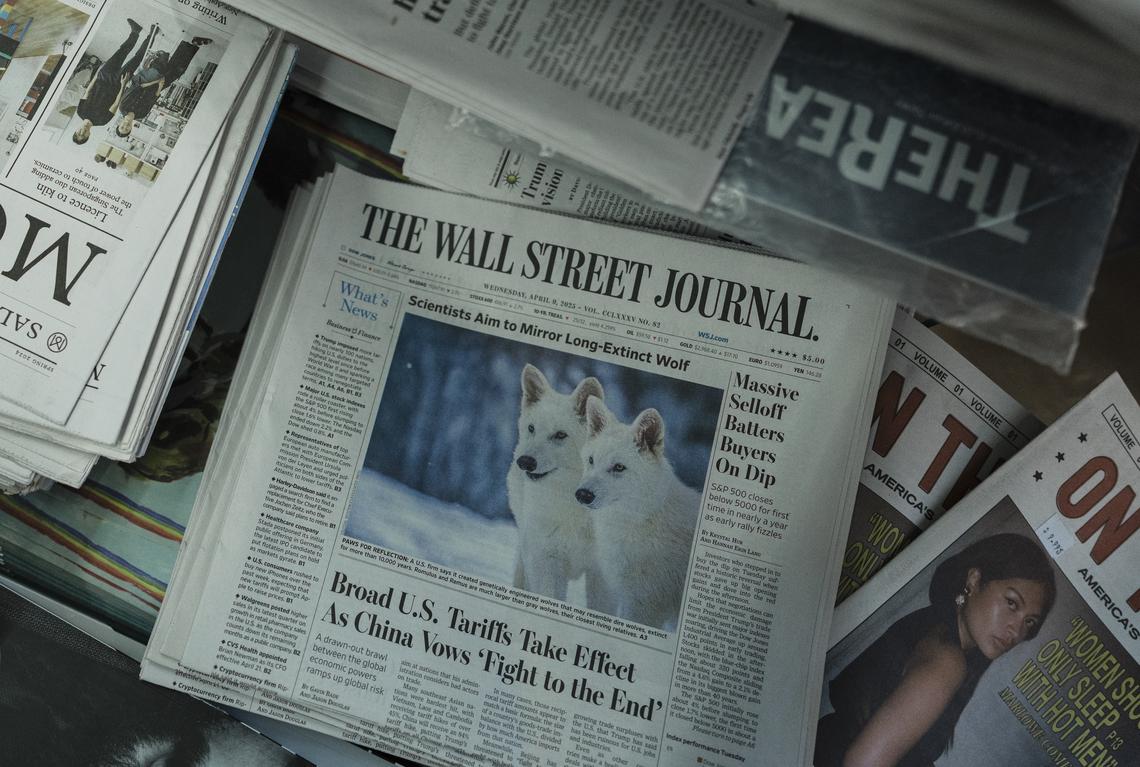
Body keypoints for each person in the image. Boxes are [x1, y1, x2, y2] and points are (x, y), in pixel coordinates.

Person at [815, 532, 1056, 767]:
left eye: (1030, 622)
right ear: (973, 580)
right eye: (1012, 603)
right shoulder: (946, 660)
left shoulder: (932, 627)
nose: (1016, 630)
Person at [72, 18, 157, 145]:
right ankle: (151, 35)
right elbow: (116, 103)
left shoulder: (80, 112)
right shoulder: (102, 121)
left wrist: (97, 73)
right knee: (137, 59)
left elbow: (88, 91)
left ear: (76, 130)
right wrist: (123, 85)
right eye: (84, 135)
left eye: (79, 133)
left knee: (121, 51)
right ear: (89, 135)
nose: (82, 132)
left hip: (103, 77)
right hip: (117, 83)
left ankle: (135, 32)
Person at [115, 33, 212, 139]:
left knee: (162, 68)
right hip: (156, 86)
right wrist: (160, 85)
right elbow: (153, 99)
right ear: (130, 129)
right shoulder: (141, 115)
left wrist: (156, 82)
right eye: (127, 129)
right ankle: (194, 44)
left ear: (120, 124)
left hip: (144, 80)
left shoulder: (122, 106)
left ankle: (177, 49)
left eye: (122, 127)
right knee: (177, 71)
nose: (126, 126)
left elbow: (137, 87)